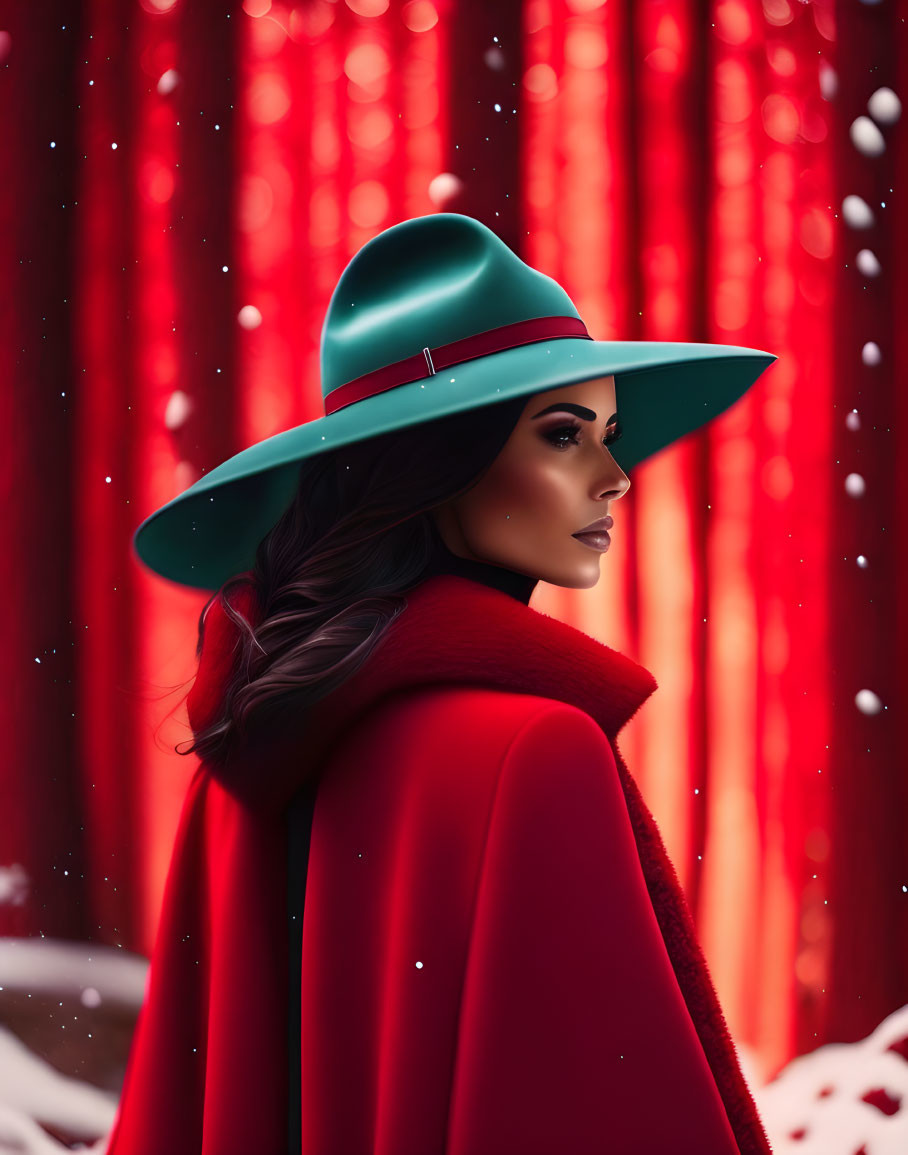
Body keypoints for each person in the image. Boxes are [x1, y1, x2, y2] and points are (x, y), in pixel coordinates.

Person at [107, 213, 776, 1154]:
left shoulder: (249, 739)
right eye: (562, 434)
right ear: (438, 464)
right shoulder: (534, 752)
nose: (614, 476)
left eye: (610, 434)